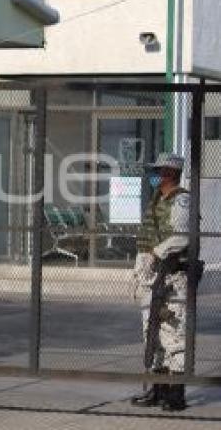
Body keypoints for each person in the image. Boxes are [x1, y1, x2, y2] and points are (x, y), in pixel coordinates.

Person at [130, 153, 191, 411]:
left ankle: (176, 394)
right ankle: (158, 389)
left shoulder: (182, 200)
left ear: (170, 173)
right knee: (151, 332)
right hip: (150, 275)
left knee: (173, 333)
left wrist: (157, 253)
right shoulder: (157, 198)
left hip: (172, 274)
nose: (154, 176)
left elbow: (182, 236)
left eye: (159, 171)